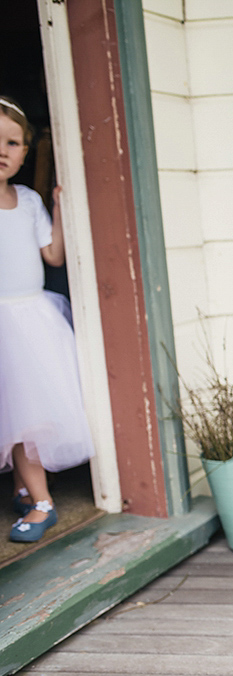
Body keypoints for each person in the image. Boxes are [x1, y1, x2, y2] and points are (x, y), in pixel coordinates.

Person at [0, 96, 94, 543]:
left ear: (24, 152)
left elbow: (53, 255)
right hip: (4, 320)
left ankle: (39, 499)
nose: (2, 150)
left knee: (29, 417)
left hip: (34, 320)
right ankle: (32, 492)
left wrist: (58, 209)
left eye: (12, 142)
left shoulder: (29, 201)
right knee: (15, 417)